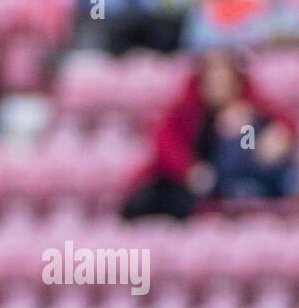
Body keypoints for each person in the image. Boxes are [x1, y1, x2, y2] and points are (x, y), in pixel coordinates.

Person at [123, 50, 296, 220]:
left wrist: (271, 132)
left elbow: (251, 154)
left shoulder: (250, 114)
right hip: (200, 188)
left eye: (226, 82)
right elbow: (167, 144)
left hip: (245, 182)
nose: (219, 89)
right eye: (213, 82)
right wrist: (189, 170)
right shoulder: (187, 113)